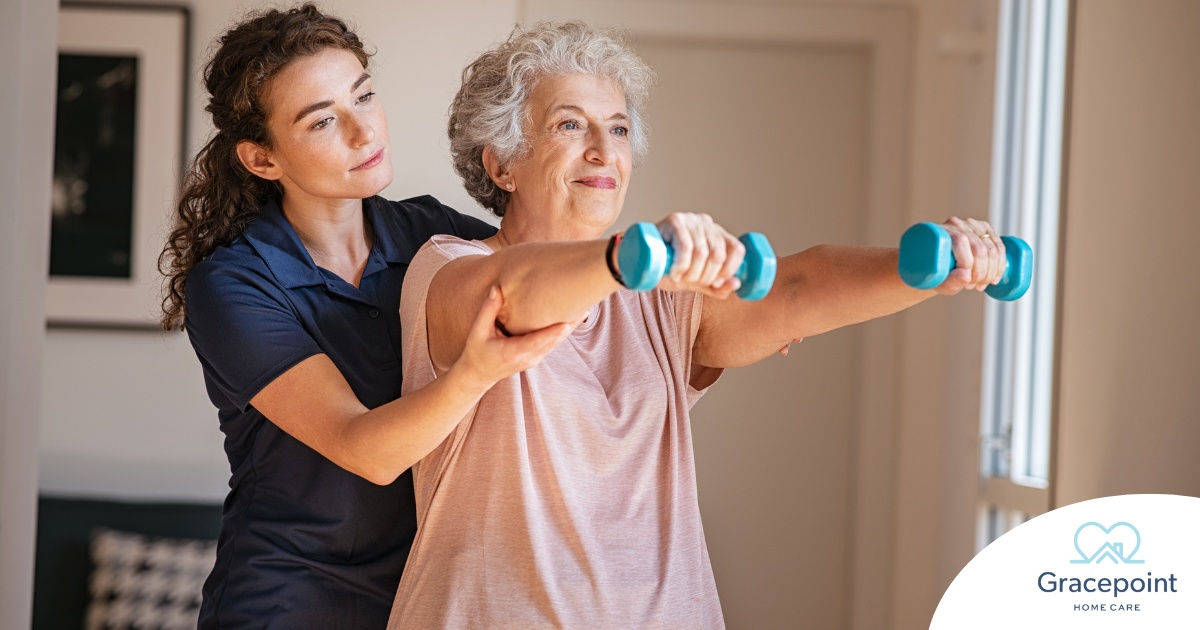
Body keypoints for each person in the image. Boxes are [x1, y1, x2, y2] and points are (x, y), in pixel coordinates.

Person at [386, 21, 1008, 629]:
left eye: (619, 128)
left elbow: (794, 287)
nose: (604, 150)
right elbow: (511, 296)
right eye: (570, 125)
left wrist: (927, 270)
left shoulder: (659, 294)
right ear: (501, 165)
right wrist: (631, 254)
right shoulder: (449, 265)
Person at [157, 5, 573, 628]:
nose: (363, 132)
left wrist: (693, 335)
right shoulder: (234, 285)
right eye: (323, 121)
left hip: (424, 594)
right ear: (262, 160)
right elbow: (367, 450)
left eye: (365, 96)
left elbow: (540, 284)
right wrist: (474, 372)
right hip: (289, 598)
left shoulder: (432, 233)